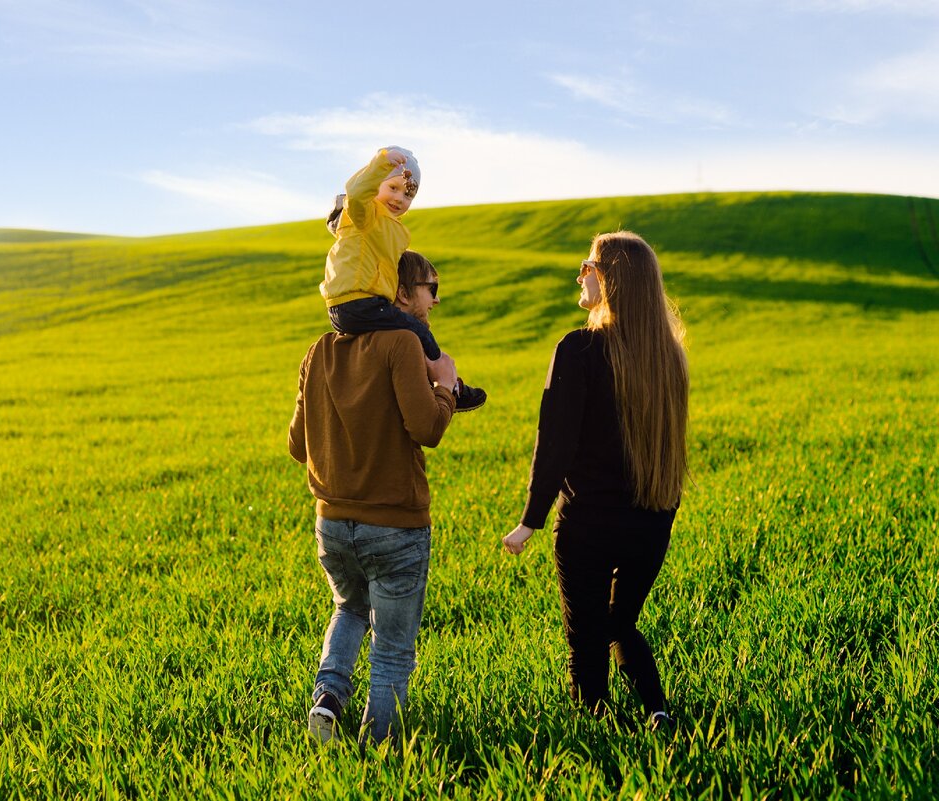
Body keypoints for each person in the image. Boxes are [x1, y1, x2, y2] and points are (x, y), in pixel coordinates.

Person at [501, 231, 688, 732]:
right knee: (620, 622)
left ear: (611, 278)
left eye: (587, 265)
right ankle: (657, 711)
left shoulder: (578, 348)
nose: (580, 274)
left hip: (586, 526)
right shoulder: (668, 356)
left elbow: (555, 441)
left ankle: (599, 741)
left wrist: (530, 521)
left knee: (587, 640)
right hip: (651, 525)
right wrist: (661, 517)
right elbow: (672, 450)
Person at [290, 250, 458, 746]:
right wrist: (446, 389)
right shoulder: (403, 343)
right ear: (400, 292)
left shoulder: (319, 350)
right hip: (396, 525)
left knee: (348, 608)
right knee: (392, 650)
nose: (434, 300)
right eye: (430, 287)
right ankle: (378, 750)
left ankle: (328, 699)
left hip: (332, 524)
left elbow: (297, 446)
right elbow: (427, 428)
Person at [321, 146, 486, 412]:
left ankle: (444, 385)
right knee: (419, 332)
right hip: (359, 302)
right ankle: (450, 386)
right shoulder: (365, 216)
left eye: (408, 193)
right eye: (393, 187)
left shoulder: (387, 229)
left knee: (402, 336)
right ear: (376, 186)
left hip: (353, 304)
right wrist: (381, 163)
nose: (400, 198)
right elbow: (357, 192)